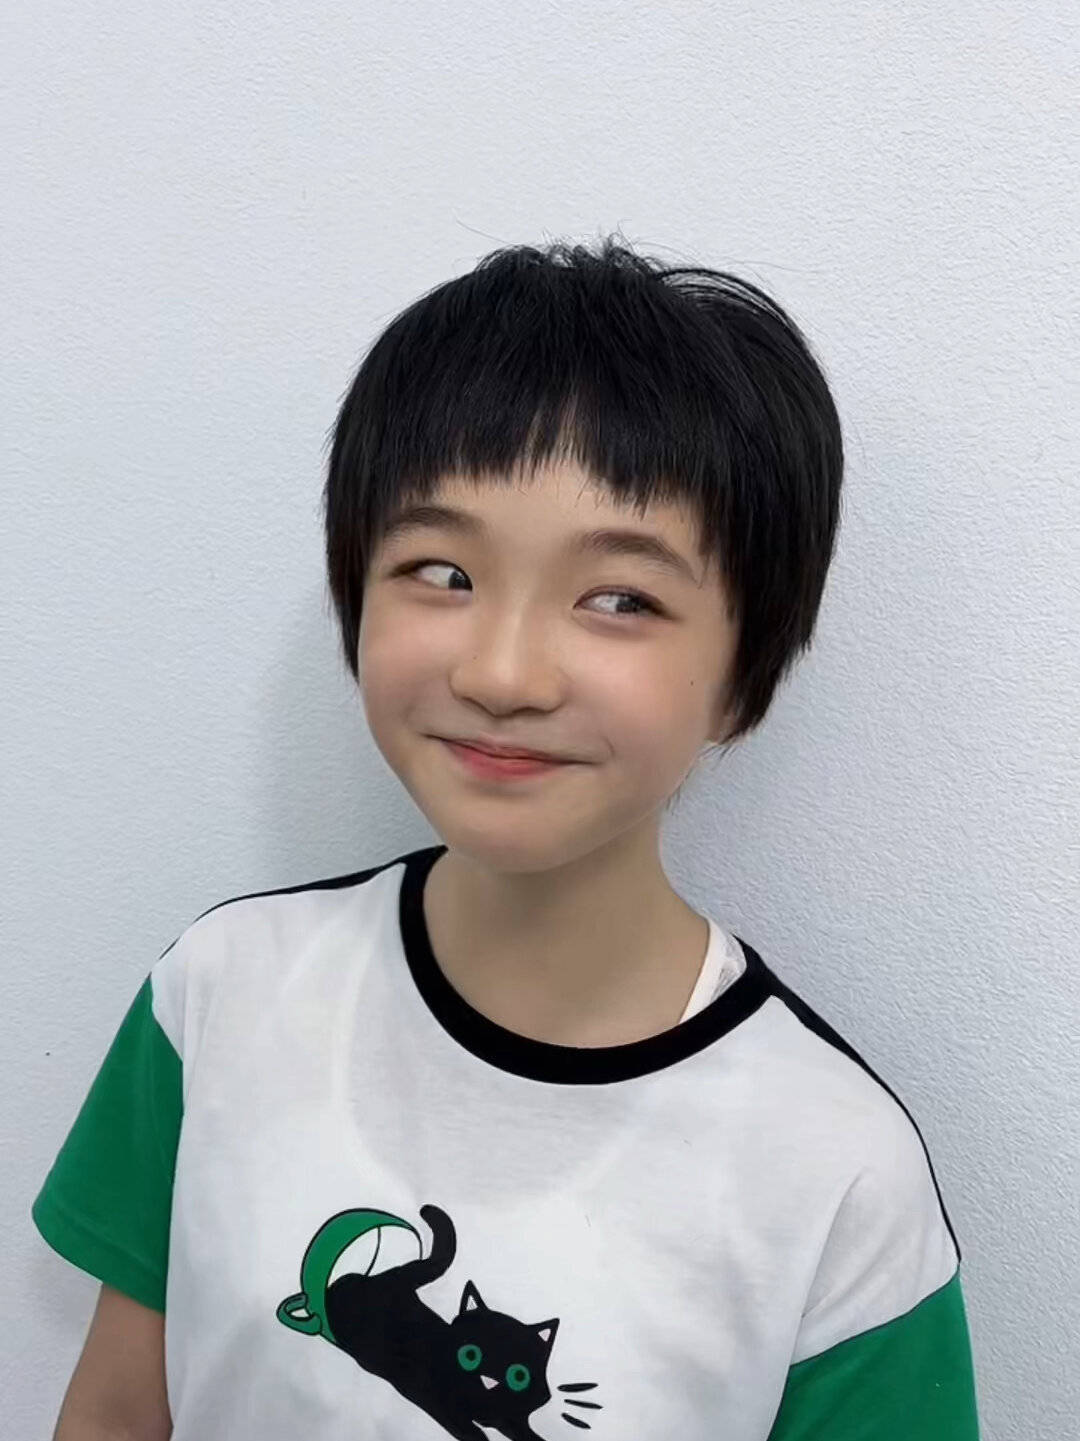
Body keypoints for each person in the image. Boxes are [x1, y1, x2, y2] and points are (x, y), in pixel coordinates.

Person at [32, 236, 980, 1440]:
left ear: (745, 678)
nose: (503, 673)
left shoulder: (839, 1176)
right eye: (441, 571)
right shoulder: (216, 995)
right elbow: (117, 1413)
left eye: (620, 598)